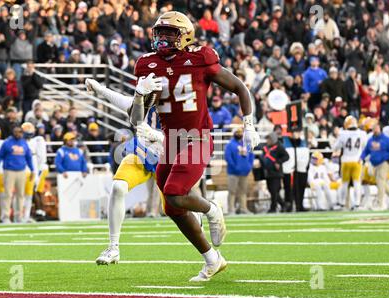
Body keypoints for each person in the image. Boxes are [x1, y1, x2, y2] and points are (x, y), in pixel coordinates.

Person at [129, 12, 260, 282]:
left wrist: (248, 124)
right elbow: (135, 118)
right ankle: (212, 259)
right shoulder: (146, 64)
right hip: (171, 140)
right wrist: (140, 95)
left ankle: (211, 209)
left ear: (185, 35)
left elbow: (240, 88)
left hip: (197, 137)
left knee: (176, 193)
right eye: (160, 32)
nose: (163, 38)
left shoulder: (200, 58)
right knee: (171, 207)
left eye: (170, 33)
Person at [85, 78, 171, 264]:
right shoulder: (139, 103)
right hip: (141, 154)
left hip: (169, 158)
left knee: (178, 208)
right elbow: (117, 98)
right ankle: (113, 247)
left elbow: (188, 135)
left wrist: (157, 136)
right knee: (118, 187)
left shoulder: (177, 107)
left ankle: (208, 238)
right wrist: (99, 87)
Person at [0, 126, 34, 223]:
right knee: (8, 194)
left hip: (21, 170)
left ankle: (19, 216)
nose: (18, 133)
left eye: (20, 132)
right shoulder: (7, 143)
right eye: (16, 132)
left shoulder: (24, 143)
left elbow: (28, 157)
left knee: (20, 194)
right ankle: (6, 216)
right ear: (13, 132)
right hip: (9, 170)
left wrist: (32, 169)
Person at [332, 116, 367, 210]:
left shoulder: (343, 133)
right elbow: (365, 147)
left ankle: (342, 203)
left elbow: (335, 147)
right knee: (356, 183)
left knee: (344, 183)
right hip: (357, 160)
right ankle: (357, 204)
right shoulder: (362, 134)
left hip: (346, 160)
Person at [361, 124, 389, 210]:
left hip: (384, 163)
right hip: (374, 164)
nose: (375, 130)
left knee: (381, 181)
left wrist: (388, 158)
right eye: (374, 128)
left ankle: (380, 204)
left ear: (380, 129)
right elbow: (366, 150)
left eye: (377, 128)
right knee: (381, 183)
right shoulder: (371, 140)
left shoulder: (387, 139)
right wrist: (361, 157)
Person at [224, 127, 254, 214]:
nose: (239, 134)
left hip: (244, 172)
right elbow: (228, 158)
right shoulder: (230, 144)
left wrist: (249, 166)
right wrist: (235, 167)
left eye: (240, 132)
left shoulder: (247, 144)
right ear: (234, 133)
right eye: (237, 132)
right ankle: (231, 209)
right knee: (232, 191)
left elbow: (251, 156)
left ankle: (243, 209)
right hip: (233, 172)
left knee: (243, 192)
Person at [21, 122, 45, 223]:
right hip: (22, 168)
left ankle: (27, 215)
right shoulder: (19, 142)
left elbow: (41, 158)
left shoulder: (37, 141)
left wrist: (39, 171)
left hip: (32, 168)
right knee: (21, 194)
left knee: (30, 193)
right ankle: (20, 215)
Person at [260, 132, 290, 213]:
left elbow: (286, 156)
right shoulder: (265, 147)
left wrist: (278, 162)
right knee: (272, 190)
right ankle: (283, 205)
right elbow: (263, 158)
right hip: (268, 172)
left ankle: (273, 208)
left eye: (269, 139)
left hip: (276, 173)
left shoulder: (279, 147)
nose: (267, 140)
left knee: (274, 190)